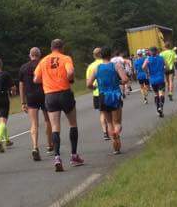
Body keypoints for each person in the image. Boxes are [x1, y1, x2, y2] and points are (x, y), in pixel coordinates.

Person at [34, 38, 85, 172]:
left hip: (50, 95)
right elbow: (70, 72)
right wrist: (69, 79)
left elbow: (36, 79)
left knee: (55, 127)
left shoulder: (43, 61)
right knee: (72, 124)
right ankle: (74, 155)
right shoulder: (65, 58)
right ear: (62, 48)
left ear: (51, 48)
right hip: (64, 93)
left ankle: (57, 157)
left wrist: (47, 80)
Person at [88, 46, 128, 154]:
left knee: (109, 122)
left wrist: (94, 87)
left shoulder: (97, 68)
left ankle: (115, 146)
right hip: (115, 95)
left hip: (103, 96)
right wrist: (119, 82)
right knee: (117, 122)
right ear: (110, 55)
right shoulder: (116, 65)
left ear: (101, 56)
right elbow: (125, 79)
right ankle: (116, 133)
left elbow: (88, 84)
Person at [19, 47, 53, 161]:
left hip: (31, 97)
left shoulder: (23, 67)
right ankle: (49, 145)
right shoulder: (44, 64)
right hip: (44, 94)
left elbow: (21, 85)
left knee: (34, 123)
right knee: (48, 120)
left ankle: (35, 146)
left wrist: (23, 102)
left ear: (30, 55)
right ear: (40, 55)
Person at [86, 47, 110, 142]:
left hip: (97, 93)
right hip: (108, 91)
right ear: (101, 54)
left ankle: (105, 132)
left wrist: (93, 88)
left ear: (94, 55)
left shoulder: (91, 66)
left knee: (102, 113)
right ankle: (112, 130)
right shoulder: (106, 63)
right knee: (110, 112)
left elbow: (88, 82)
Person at [142, 46, 168, 117]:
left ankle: (158, 108)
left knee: (156, 94)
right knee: (161, 94)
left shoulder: (148, 59)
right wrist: (164, 70)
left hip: (153, 80)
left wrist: (147, 72)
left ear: (150, 52)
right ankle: (161, 107)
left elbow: (143, 67)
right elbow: (167, 66)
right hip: (160, 78)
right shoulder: (161, 58)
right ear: (157, 51)